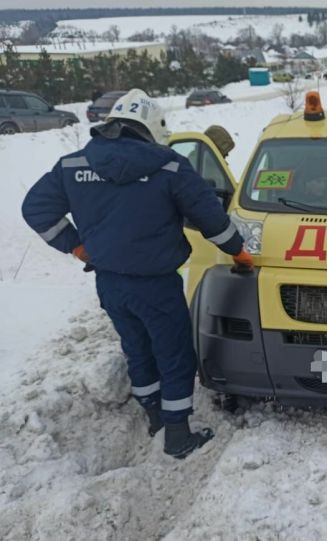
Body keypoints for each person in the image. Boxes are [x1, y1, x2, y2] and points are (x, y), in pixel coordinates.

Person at [21, 89, 254, 460]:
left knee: (137, 347)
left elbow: (35, 209)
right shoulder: (171, 166)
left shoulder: (72, 165)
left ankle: (154, 416)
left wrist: (76, 245)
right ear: (151, 128)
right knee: (175, 352)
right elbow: (212, 220)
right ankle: (178, 435)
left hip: (110, 283)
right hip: (157, 284)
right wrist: (239, 253)